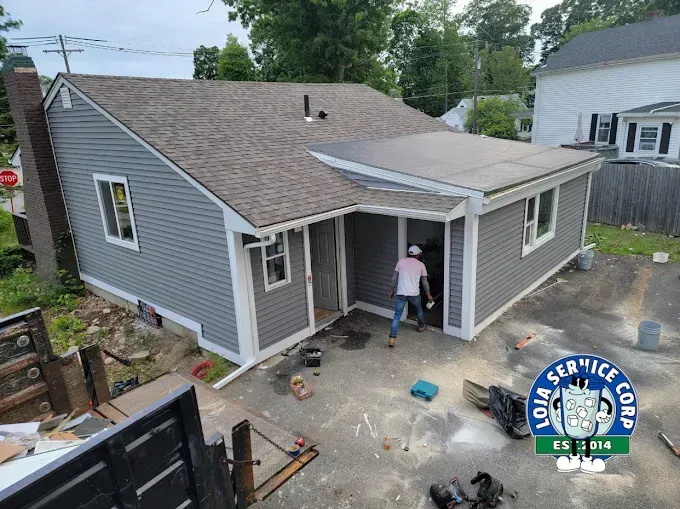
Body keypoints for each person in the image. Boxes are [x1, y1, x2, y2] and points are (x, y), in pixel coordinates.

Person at [388, 245, 434, 347]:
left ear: (409, 253)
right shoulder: (421, 265)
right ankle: (421, 327)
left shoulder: (400, 262)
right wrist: (429, 295)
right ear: (418, 255)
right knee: (419, 310)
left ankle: (392, 338)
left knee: (397, 316)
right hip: (414, 294)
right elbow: (425, 283)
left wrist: (391, 290)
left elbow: (394, 278)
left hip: (401, 294)